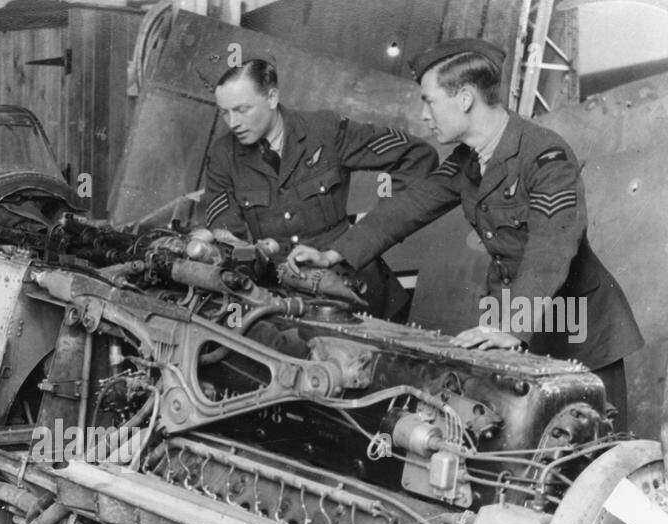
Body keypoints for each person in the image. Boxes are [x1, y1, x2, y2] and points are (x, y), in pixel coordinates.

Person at [287, 39, 642, 418]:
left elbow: (551, 247)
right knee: (513, 439)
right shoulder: (468, 160)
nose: (424, 114)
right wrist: (334, 252)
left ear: (465, 99)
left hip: (575, 320)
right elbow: (410, 206)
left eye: (429, 100)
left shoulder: (544, 155)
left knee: (594, 440)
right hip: (511, 314)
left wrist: (510, 325)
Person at [203, 59, 438, 320]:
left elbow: (418, 156)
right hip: (283, 299)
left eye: (242, 109)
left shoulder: (326, 130)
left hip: (355, 288)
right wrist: (246, 252)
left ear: (272, 97)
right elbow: (226, 233)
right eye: (224, 112)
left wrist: (369, 233)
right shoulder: (223, 155)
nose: (233, 122)